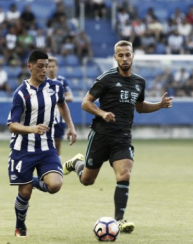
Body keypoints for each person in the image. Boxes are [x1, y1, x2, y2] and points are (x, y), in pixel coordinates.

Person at [62, 40, 173, 234]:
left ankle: (119, 220)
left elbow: (139, 107)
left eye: (127, 55)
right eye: (120, 55)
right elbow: (85, 103)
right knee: (87, 180)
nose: (124, 58)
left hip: (122, 137)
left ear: (132, 56)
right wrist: (102, 113)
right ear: (115, 58)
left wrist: (159, 105)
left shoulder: (139, 82)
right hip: (101, 136)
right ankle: (76, 163)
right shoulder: (106, 79)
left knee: (125, 174)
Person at [7, 49, 77, 237]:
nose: (44, 70)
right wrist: (32, 129)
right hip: (23, 149)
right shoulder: (21, 93)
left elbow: (62, 104)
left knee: (55, 185)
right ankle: (20, 226)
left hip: (47, 147)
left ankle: (34, 180)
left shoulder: (55, 87)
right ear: (30, 67)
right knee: (26, 192)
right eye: (40, 66)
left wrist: (71, 126)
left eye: (46, 66)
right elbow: (12, 125)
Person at [47, 57, 73, 156]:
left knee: (57, 143)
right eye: (49, 67)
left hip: (59, 118)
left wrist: (58, 99)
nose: (51, 69)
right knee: (45, 143)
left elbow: (70, 97)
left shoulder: (62, 81)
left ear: (57, 67)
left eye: (53, 66)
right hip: (45, 117)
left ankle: (57, 164)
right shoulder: (42, 81)